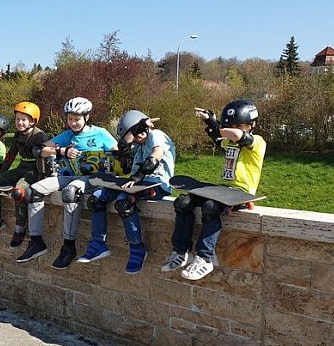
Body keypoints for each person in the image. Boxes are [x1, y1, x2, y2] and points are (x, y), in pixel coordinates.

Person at [162, 100, 266, 280]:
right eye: (230, 126)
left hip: (241, 194)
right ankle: (180, 252)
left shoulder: (257, 142)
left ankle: (205, 258)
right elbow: (219, 138)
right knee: (183, 202)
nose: (233, 130)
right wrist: (210, 121)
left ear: (252, 125)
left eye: (239, 126)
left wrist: (222, 128)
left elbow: (239, 136)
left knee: (211, 208)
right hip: (223, 190)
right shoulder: (230, 143)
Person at [17, 97, 117, 266]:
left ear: (87, 117)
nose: (73, 123)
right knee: (33, 191)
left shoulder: (100, 133)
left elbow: (117, 153)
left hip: (92, 178)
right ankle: (36, 242)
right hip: (69, 175)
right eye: (70, 119)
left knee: (70, 192)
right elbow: (38, 150)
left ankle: (69, 247)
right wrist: (62, 151)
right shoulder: (67, 135)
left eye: (77, 119)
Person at [77, 110, 176, 274]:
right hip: (135, 181)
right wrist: (131, 137)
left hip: (157, 183)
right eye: (134, 135)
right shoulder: (137, 144)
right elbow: (124, 154)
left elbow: (154, 157)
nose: (136, 139)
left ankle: (137, 248)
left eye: (137, 134)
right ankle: (98, 244)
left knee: (124, 202)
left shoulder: (156, 135)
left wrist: (137, 177)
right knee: (95, 199)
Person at [0, 102, 48, 248]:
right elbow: (11, 156)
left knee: (19, 192)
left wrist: (42, 178)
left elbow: (46, 158)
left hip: (34, 170)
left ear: (33, 121)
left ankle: (19, 229)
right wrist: (0, 176)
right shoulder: (18, 135)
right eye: (18, 119)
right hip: (21, 167)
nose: (20, 122)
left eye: (24, 119)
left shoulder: (40, 136)